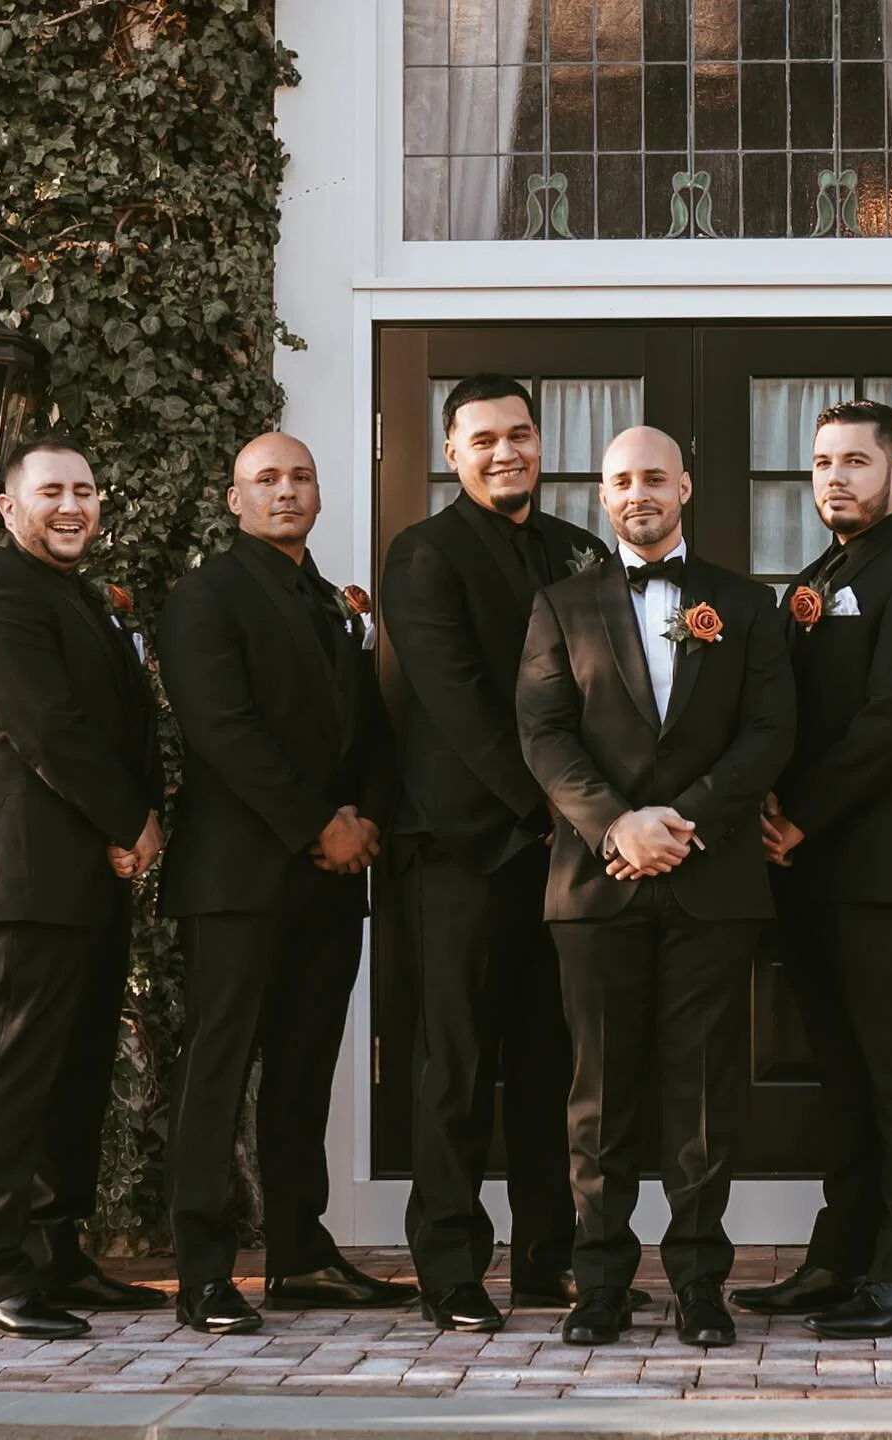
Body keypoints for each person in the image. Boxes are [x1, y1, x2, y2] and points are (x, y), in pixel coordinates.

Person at [517, 425, 794, 1348]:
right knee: (599, 1092)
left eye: (654, 477)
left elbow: (769, 731)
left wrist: (682, 822)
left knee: (706, 1091)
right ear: (603, 496)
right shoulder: (560, 604)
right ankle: (597, 1281)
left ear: (687, 485)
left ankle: (699, 1283)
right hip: (596, 887)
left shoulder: (746, 606)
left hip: (712, 878)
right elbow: (545, 735)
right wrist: (618, 826)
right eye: (621, 480)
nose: (639, 492)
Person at [157, 431, 412, 1334]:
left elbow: (373, 728)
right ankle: (202, 1268)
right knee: (218, 1073)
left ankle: (300, 1255)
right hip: (238, 879)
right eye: (266, 479)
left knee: (305, 1071)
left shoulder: (336, 601)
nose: (287, 490)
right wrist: (318, 826)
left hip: (333, 880)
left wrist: (368, 821)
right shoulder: (203, 597)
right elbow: (223, 731)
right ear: (236, 500)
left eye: (301, 475)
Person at [382, 375, 613, 1333]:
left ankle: (547, 1260)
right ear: (452, 452)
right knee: (458, 1065)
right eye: (483, 440)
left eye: (519, 434)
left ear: (539, 439)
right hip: (466, 850)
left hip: (562, 857)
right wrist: (565, 807)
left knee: (551, 1059)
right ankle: (449, 1264)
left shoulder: (578, 550)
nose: (505, 452)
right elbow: (463, 707)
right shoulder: (424, 555)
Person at [729, 400, 892, 1339]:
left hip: (881, 868)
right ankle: (842, 1257)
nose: (835, 477)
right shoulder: (814, 577)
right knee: (842, 1069)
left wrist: (805, 816)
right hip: (806, 868)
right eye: (823, 461)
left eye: (856, 462)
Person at [0, 437, 166, 1337]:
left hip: (89, 872)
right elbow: (46, 727)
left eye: (84, 490)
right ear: (11, 509)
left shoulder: (81, 597)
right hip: (25, 873)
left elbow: (124, 727)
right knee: (12, 1076)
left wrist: (134, 830)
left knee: (77, 1069)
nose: (72, 505)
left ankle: (54, 1252)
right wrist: (134, 822)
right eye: (51, 492)